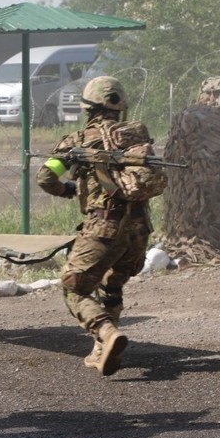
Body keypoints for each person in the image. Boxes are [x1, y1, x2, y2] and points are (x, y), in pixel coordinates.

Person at [35, 76, 158, 377]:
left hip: (104, 227)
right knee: (111, 285)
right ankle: (102, 351)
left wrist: (67, 189)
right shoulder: (135, 138)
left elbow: (45, 178)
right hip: (139, 230)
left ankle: (106, 331)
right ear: (120, 108)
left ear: (87, 108)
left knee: (73, 287)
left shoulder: (78, 140)